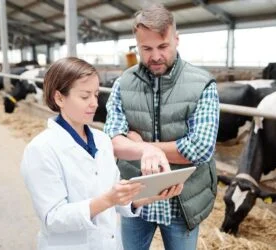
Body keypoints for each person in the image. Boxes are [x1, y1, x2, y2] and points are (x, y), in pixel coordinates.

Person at [21, 57, 183, 250]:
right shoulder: (41, 149)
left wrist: (149, 196)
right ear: (59, 98)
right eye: (84, 96)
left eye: (96, 95)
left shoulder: (102, 140)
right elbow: (53, 218)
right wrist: (107, 200)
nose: (94, 103)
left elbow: (115, 199)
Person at [104, 4, 220, 250]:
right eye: (146, 48)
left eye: (163, 46)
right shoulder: (123, 84)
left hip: (183, 199)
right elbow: (113, 141)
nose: (155, 56)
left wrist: (141, 145)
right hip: (136, 197)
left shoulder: (203, 84)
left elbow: (199, 149)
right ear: (137, 45)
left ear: (176, 40)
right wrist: (145, 151)